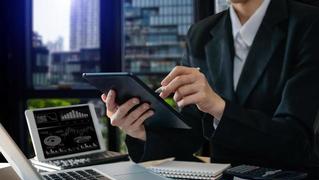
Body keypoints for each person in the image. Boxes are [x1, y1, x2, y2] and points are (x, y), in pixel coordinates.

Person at [101, 0, 319, 170]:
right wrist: (140, 131)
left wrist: (217, 106)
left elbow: (295, 141)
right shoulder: (201, 33)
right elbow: (192, 132)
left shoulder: (309, 24)